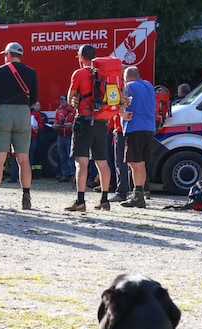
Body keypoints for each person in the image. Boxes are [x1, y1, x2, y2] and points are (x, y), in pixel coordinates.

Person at [0, 42, 38, 210]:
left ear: (9, 55)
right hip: (23, 114)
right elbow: (33, 99)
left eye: (5, 55)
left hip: (3, 112)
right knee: (23, 158)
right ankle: (26, 197)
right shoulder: (31, 72)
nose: (4, 57)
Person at [63, 44, 113, 212]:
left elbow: (71, 98)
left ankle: (80, 200)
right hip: (102, 121)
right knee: (102, 162)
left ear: (81, 57)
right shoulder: (104, 72)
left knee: (81, 162)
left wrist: (76, 99)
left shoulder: (79, 73)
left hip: (84, 121)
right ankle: (105, 200)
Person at [119, 65, 157, 208]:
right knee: (141, 162)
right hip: (149, 128)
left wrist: (121, 112)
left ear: (126, 77)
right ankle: (140, 193)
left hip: (135, 127)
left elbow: (121, 103)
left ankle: (138, 196)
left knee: (134, 164)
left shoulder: (128, 86)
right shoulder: (148, 86)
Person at [50, 95, 75, 182]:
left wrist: (71, 125)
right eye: (61, 100)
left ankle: (73, 175)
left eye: (64, 100)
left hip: (70, 136)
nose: (62, 102)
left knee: (71, 157)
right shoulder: (59, 111)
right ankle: (65, 174)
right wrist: (55, 125)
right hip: (61, 136)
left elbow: (78, 123)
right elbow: (55, 122)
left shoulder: (73, 110)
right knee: (62, 157)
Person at [108, 113, 131, 202]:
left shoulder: (122, 100)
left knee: (120, 163)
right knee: (131, 162)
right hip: (131, 129)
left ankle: (121, 193)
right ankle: (133, 191)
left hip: (120, 129)